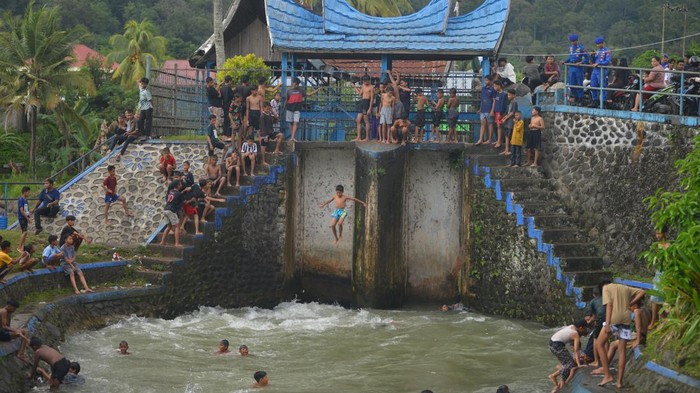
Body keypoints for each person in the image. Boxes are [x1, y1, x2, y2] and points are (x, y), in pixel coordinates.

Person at [592, 281, 645, 388]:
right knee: (622, 351)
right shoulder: (624, 287)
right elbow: (642, 291)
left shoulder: (606, 288)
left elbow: (609, 305)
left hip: (614, 318)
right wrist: (630, 303)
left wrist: (607, 323)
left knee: (599, 344)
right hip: (626, 319)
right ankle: (619, 382)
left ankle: (607, 375)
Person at [548, 320, 587, 392]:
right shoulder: (575, 334)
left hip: (551, 344)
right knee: (570, 364)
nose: (585, 330)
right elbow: (576, 350)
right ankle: (559, 379)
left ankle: (556, 385)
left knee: (566, 364)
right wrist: (579, 364)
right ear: (581, 328)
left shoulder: (572, 326)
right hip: (557, 346)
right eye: (585, 328)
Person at [160, 180, 184, 247]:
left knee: (168, 226)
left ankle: (162, 241)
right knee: (177, 226)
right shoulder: (179, 194)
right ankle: (177, 243)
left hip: (166, 209)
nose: (181, 185)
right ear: (178, 185)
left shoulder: (170, 191)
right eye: (180, 184)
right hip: (171, 210)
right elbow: (181, 204)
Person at [565, 34, 587, 104]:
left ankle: (581, 98)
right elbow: (570, 58)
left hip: (578, 67)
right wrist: (565, 61)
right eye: (571, 41)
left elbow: (587, 58)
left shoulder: (582, 48)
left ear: (577, 41)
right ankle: (576, 97)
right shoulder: (570, 48)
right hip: (572, 67)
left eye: (574, 41)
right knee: (571, 84)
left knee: (579, 84)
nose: (572, 42)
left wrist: (581, 62)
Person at [589, 37, 611, 106]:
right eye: (597, 44)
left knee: (602, 86)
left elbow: (607, 61)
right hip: (595, 70)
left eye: (599, 44)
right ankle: (595, 101)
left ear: (602, 43)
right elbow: (594, 60)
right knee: (593, 85)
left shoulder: (607, 51)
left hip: (602, 70)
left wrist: (599, 64)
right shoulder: (597, 51)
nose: (598, 45)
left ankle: (603, 102)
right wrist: (592, 56)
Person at [476, 75, 496, 145]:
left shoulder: (493, 89)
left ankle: (489, 139)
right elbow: (482, 100)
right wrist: (480, 109)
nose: (486, 81)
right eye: (485, 80)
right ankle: (481, 139)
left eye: (487, 80)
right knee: (483, 124)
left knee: (490, 124)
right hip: (483, 109)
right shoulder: (483, 89)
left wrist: (492, 110)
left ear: (490, 81)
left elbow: (494, 101)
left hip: (489, 109)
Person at [353, 76, 374, 142]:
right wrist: (355, 87)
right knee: (358, 120)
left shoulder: (371, 87)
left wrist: (370, 108)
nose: (365, 82)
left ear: (368, 80)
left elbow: (372, 99)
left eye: (366, 81)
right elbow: (360, 94)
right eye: (364, 81)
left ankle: (367, 138)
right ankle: (358, 137)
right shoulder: (363, 85)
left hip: (367, 103)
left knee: (366, 121)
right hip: (362, 102)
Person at [285, 77, 305, 142]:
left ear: (298, 84)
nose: (294, 84)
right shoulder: (289, 91)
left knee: (295, 122)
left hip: (297, 108)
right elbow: (287, 100)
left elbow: (307, 95)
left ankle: (292, 137)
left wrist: (317, 90)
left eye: (296, 83)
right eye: (293, 83)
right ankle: (292, 137)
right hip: (289, 108)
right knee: (290, 123)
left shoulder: (301, 90)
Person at [501, 90, 518, 155]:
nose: (508, 96)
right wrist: (505, 117)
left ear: (514, 95)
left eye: (510, 95)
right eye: (508, 95)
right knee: (506, 135)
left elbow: (512, 112)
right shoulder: (511, 102)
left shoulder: (514, 102)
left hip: (511, 121)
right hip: (508, 121)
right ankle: (506, 149)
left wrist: (506, 118)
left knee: (509, 135)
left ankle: (508, 150)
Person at [492, 81, 507, 148]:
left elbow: (503, 105)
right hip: (496, 112)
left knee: (500, 127)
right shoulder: (497, 94)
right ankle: (498, 140)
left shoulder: (503, 94)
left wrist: (501, 113)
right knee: (497, 126)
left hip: (500, 112)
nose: (494, 87)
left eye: (495, 86)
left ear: (499, 86)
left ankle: (499, 141)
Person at [17, 186, 31, 252]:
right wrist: (27, 218)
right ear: (24, 192)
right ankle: (19, 247)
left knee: (24, 232)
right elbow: (21, 210)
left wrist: (28, 216)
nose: (29, 193)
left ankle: (22, 247)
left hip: (25, 218)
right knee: (25, 232)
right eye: (28, 192)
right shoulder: (21, 199)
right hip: (22, 218)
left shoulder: (26, 200)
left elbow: (26, 210)